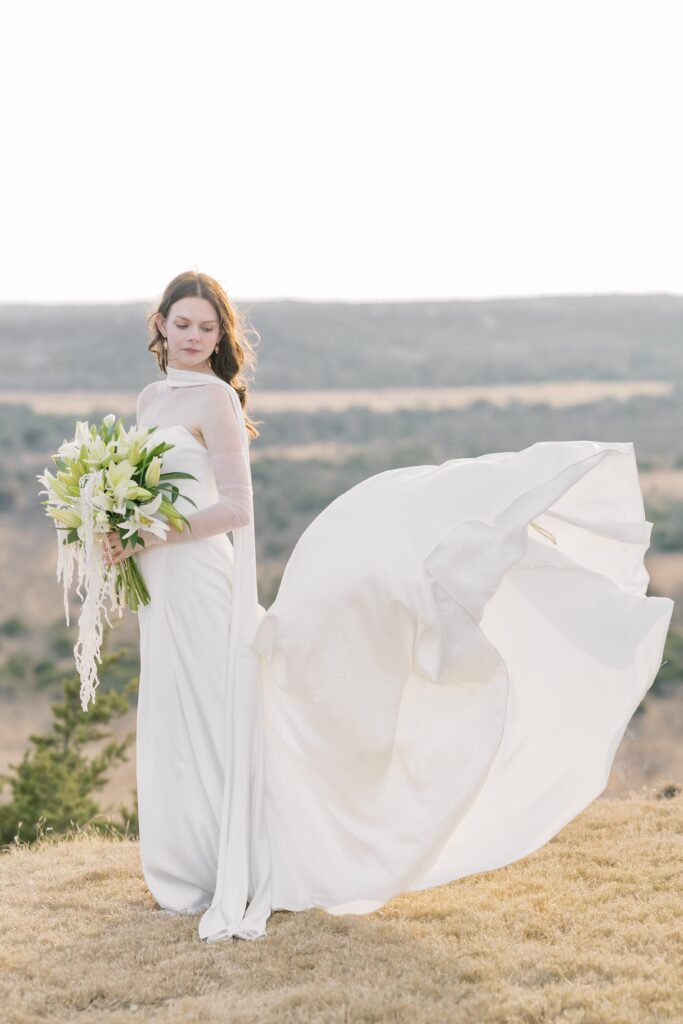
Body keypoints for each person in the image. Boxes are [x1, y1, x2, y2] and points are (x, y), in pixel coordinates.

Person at [103, 270, 674, 944]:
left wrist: (152, 531)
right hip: (160, 581)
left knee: (219, 711)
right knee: (175, 711)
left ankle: (242, 861)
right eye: (183, 324)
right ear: (160, 326)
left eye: (206, 327)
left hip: (200, 577)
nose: (194, 337)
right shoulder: (149, 399)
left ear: (219, 336)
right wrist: (113, 526)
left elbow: (236, 507)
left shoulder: (218, 403)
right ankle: (190, 862)